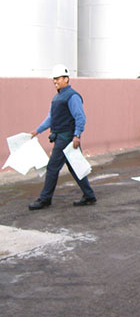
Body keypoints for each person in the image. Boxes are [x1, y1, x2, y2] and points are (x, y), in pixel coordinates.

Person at [29, 64, 97, 210]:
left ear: (66, 79)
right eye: (53, 79)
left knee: (53, 167)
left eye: (58, 79)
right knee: (74, 167)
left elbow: (80, 117)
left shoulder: (72, 96)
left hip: (67, 138)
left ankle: (45, 199)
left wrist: (77, 135)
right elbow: (51, 118)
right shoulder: (57, 97)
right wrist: (37, 131)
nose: (55, 82)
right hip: (62, 137)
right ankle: (89, 195)